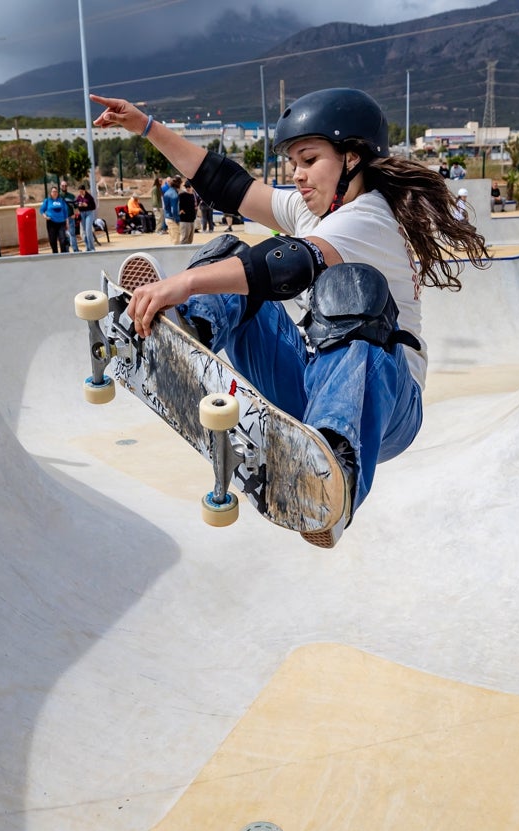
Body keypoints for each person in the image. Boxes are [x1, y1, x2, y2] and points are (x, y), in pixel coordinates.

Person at [91, 87, 490, 545]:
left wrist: (182, 283)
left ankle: (331, 474)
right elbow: (227, 183)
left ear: (353, 158)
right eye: (293, 164)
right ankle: (186, 337)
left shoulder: (370, 217)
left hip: (386, 408)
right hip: (310, 386)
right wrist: (146, 126)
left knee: (347, 287)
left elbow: (288, 264)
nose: (298, 176)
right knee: (230, 252)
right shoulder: (308, 207)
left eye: (309, 159)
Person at [40, 186, 70, 253]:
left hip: (61, 222)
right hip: (51, 223)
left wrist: (67, 222)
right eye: (53, 191)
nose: (55, 193)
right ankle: (55, 253)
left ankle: (63, 253)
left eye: (56, 191)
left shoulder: (61, 200)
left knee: (62, 239)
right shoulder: (47, 200)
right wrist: (45, 216)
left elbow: (65, 212)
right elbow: (41, 210)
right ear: (50, 193)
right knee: (52, 240)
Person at [75, 184, 98, 252]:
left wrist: (87, 205)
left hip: (89, 213)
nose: (81, 193)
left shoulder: (89, 197)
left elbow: (94, 207)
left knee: (88, 231)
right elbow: (76, 206)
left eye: (82, 191)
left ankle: (92, 248)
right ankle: (87, 247)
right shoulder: (78, 197)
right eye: (80, 191)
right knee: (84, 232)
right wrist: (79, 205)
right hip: (82, 214)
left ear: (84, 190)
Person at [58, 180, 79, 253]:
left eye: (65, 186)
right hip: (61, 219)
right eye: (62, 186)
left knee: (72, 234)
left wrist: (75, 214)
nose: (64, 187)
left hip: (70, 217)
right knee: (63, 235)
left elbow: (76, 206)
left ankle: (75, 250)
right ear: (60, 186)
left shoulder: (71, 196)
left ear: (67, 186)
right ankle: (65, 251)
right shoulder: (57, 197)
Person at [163, 175, 181, 244]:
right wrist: (177, 220)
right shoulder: (174, 194)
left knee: (173, 239)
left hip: (167, 217)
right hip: (172, 218)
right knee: (176, 241)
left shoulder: (167, 192)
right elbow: (174, 209)